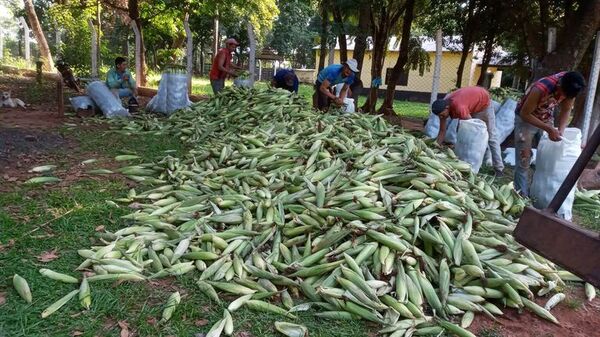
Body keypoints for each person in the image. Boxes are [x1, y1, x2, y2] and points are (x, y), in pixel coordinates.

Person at [513, 71, 586, 196]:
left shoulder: (572, 86)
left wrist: (561, 131)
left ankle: (538, 191)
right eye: (564, 94)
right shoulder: (541, 88)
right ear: (559, 85)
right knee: (524, 158)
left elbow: (566, 109)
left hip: (545, 117)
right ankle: (521, 196)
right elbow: (525, 114)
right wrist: (548, 129)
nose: (564, 97)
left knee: (547, 156)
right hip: (526, 119)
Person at [431, 86, 504, 176]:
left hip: (483, 104)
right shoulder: (443, 108)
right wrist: (436, 146)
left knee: (491, 136)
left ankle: (498, 168)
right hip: (470, 103)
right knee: (461, 132)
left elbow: (472, 129)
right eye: (439, 116)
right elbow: (442, 130)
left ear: (447, 108)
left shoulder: (459, 107)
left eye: (442, 115)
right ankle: (462, 161)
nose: (441, 117)